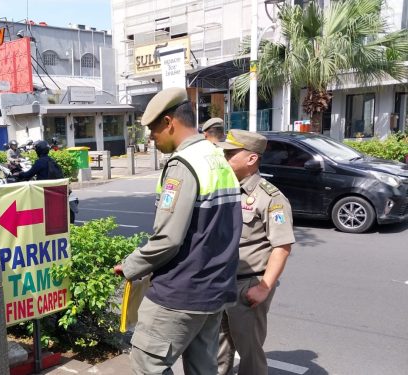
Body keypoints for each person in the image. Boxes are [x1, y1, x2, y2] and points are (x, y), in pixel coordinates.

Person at [112, 87, 242, 375]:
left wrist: (131, 265)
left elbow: (168, 239)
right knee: (203, 367)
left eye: (153, 129)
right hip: (214, 289)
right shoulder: (216, 156)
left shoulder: (183, 165)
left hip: (181, 292)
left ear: (169, 122)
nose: (151, 138)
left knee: (148, 362)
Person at [216, 129, 295, 375]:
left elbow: (282, 247)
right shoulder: (225, 189)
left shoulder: (271, 198)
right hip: (220, 282)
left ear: (251, 159)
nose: (224, 158)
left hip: (248, 285)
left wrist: (263, 287)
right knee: (218, 348)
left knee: (249, 353)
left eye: (230, 154)